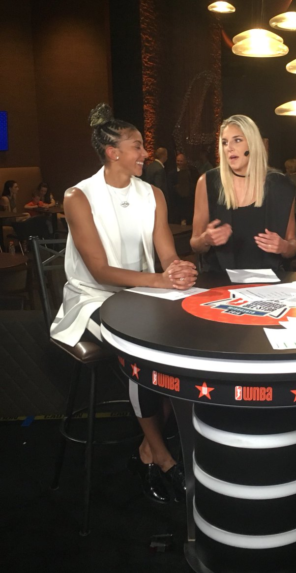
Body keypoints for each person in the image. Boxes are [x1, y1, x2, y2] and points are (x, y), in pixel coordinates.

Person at [50, 103, 197, 504]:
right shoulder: (78, 196)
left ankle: (149, 446)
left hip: (144, 295)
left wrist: (178, 269)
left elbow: (166, 252)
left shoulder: (153, 194)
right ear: (113, 152)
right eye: (137, 146)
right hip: (92, 300)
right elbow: (98, 271)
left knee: (183, 343)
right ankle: (161, 456)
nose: (145, 154)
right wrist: (159, 279)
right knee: (145, 356)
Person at [190, 114, 296, 270]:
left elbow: (292, 244)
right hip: (219, 280)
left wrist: (283, 247)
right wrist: (206, 239)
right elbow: (195, 244)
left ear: (252, 144)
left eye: (237, 140)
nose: (229, 148)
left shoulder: (281, 186)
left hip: (267, 282)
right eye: (225, 142)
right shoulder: (208, 182)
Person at [168, 153, 198, 224]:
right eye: (178, 161)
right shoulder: (171, 174)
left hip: (189, 206)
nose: (179, 163)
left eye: (181, 161)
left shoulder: (192, 172)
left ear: (185, 161)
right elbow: (170, 190)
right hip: (177, 206)